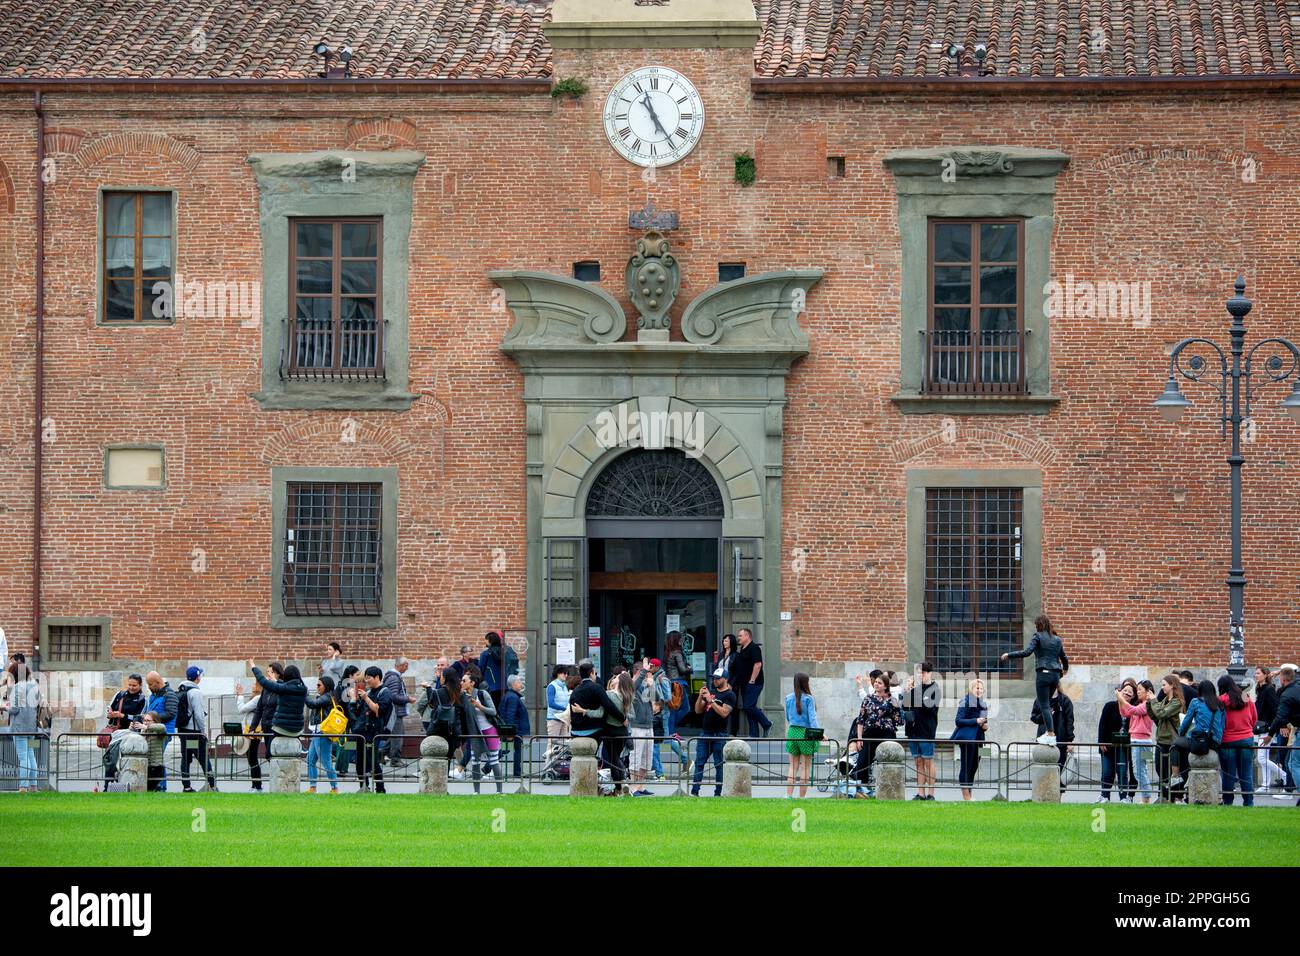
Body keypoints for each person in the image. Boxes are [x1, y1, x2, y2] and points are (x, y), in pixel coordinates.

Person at [1001, 613, 1069, 745]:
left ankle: (1050, 734)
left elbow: (1027, 652)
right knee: (1047, 704)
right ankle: (1049, 732)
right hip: (1055, 674)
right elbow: (1064, 657)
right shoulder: (1057, 639)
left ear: (1039, 625)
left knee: (1044, 705)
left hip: (1043, 674)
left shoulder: (1038, 636)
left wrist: (1009, 655)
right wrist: (1065, 668)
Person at [1171, 679, 1227, 799]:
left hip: (1200, 741)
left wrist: (1181, 733)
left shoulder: (1196, 702)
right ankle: (1219, 797)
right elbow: (1222, 725)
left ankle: (1175, 777)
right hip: (1215, 742)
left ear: (1199, 691)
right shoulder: (1220, 704)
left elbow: (1186, 722)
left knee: (1175, 745)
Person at [852, 672, 902, 795]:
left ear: (885, 686)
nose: (876, 684)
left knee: (887, 760)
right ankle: (862, 789)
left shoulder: (892, 700)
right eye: (876, 682)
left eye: (880, 683)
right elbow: (861, 719)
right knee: (863, 761)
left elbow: (899, 720)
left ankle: (888, 789)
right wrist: (859, 738)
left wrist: (896, 709)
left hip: (886, 733)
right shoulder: (868, 699)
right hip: (870, 732)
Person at [1258, 663, 1299, 806]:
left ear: (1283, 679)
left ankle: (1290, 790)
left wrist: (1270, 734)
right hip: (1294, 729)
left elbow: (1279, 715)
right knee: (1289, 760)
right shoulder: (1295, 687)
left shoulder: (1285, 694)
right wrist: (1279, 672)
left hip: (1292, 729)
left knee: (1292, 762)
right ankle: (1286, 788)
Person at [690, 670, 736, 797]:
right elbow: (698, 710)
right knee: (699, 763)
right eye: (714, 678)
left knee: (719, 765)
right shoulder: (712, 692)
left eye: (718, 678)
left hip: (719, 734)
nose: (715, 680)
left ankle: (718, 793)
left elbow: (724, 713)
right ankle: (694, 791)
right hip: (705, 733)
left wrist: (711, 701)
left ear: (725, 679)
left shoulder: (730, 695)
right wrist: (701, 696)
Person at [1216, 674, 1257, 807]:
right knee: (1246, 773)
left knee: (1228, 774)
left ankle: (1228, 802)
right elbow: (1254, 718)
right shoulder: (1246, 697)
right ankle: (1249, 802)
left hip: (1228, 740)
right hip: (1246, 738)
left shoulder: (1221, 700)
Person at [176, 666, 217, 793]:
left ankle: (186, 786)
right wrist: (203, 731)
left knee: (186, 758)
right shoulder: (196, 692)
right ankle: (212, 785)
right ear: (197, 678)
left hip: (182, 730)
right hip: (194, 732)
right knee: (203, 758)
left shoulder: (181, 690)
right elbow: (199, 715)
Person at [902, 663, 940, 800]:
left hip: (926, 730)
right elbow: (905, 707)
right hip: (913, 730)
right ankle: (920, 793)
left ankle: (931, 793)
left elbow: (930, 709)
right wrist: (907, 691)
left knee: (928, 762)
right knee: (918, 761)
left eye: (923, 672)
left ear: (930, 673)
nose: (920, 675)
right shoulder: (915, 689)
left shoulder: (934, 689)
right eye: (918, 673)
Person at [2, 662, 42, 792]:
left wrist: (3, 707)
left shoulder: (17, 687)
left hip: (19, 728)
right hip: (32, 728)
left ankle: (23, 787)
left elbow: (14, 709)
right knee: (31, 756)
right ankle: (33, 786)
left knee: (23, 758)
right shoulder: (35, 686)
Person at [463, 669, 505, 794]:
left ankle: (499, 791)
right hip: (475, 732)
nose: (461, 683)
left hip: (489, 730)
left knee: (493, 760)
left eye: (464, 681)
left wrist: (479, 706)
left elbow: (493, 711)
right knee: (475, 760)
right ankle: (476, 792)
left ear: (472, 683)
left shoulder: (482, 694)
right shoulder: (463, 697)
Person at [1030, 680, 1075, 791]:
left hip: (1060, 739)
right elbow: (1034, 717)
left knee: (1059, 769)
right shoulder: (1040, 700)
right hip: (1043, 739)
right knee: (1043, 769)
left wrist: (1070, 741)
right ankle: (1042, 794)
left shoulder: (1065, 701)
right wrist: (1045, 715)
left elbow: (1070, 722)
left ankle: (1058, 794)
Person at [355, 666, 393, 793]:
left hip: (374, 732)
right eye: (365, 679)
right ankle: (363, 787)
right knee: (360, 761)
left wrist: (366, 698)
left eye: (369, 678)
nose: (367, 681)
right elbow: (359, 712)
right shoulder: (369, 692)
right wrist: (355, 699)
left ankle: (380, 788)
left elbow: (379, 710)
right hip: (362, 731)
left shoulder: (385, 692)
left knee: (372, 761)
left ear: (377, 677)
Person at [1097, 680, 1136, 803]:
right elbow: (1102, 724)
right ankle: (1104, 796)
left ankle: (1123, 797)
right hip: (1109, 745)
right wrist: (1101, 741)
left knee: (1122, 772)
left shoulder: (1133, 710)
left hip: (1124, 747)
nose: (1127, 693)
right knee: (1107, 771)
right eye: (1125, 690)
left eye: (1130, 692)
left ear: (1133, 696)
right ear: (1119, 692)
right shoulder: (1109, 706)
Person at [1146, 675, 1184, 802]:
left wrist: (1153, 701)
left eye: (1164, 685)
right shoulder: (1164, 701)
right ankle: (1164, 795)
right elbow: (1156, 717)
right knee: (1159, 768)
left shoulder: (1177, 702)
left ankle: (1173, 796)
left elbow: (1162, 713)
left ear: (1172, 685)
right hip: (1161, 740)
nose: (1162, 688)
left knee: (1171, 771)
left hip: (1172, 741)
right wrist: (1148, 703)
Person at [1119, 680, 1156, 804]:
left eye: (1140, 689)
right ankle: (1146, 797)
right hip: (1139, 741)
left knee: (1139, 771)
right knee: (1142, 769)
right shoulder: (1141, 704)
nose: (1138, 692)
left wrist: (1121, 698)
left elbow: (1134, 711)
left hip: (1142, 742)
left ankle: (1146, 798)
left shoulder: (1147, 704)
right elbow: (1125, 712)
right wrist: (1121, 700)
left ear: (1148, 691)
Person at [951, 678, 988, 801]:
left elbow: (983, 722)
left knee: (974, 767)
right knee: (966, 766)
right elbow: (958, 720)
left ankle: (970, 794)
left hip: (979, 739)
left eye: (981, 688)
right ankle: (966, 796)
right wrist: (975, 721)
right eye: (977, 688)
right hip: (967, 739)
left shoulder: (982, 703)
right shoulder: (965, 701)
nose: (979, 690)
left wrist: (984, 726)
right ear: (971, 689)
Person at [784, 672, 819, 799]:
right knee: (805, 768)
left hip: (792, 732)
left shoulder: (788, 698)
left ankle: (789, 795)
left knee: (792, 766)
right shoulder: (809, 698)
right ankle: (802, 797)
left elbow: (788, 717)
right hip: (806, 733)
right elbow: (813, 719)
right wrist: (819, 734)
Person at [733, 627, 772, 738]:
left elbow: (758, 664)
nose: (738, 638)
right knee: (749, 707)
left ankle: (767, 724)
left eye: (740, 635)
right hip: (744, 684)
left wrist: (752, 680)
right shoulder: (742, 649)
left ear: (747, 636)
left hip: (754, 683)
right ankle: (754, 734)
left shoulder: (754, 648)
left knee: (748, 706)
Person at [305, 675, 342, 794]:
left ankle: (335, 788)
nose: (317, 687)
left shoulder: (326, 697)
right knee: (310, 759)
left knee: (326, 762)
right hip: (317, 732)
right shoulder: (324, 697)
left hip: (322, 733)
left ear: (326, 686)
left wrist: (304, 694)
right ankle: (312, 787)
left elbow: (312, 704)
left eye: (319, 685)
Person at [143, 671, 179, 791]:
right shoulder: (154, 695)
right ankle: (155, 785)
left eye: (150, 684)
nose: (148, 687)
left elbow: (171, 714)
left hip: (162, 733)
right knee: (153, 759)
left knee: (157, 760)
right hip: (151, 731)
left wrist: (152, 717)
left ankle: (161, 786)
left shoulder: (170, 695)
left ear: (158, 682)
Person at [629, 662, 657, 795]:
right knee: (636, 757)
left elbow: (653, 699)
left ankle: (641, 786)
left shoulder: (645, 685)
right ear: (637, 672)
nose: (647, 675)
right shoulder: (631, 684)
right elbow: (634, 686)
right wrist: (644, 672)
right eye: (645, 672)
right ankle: (633, 787)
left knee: (647, 758)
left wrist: (652, 686)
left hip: (648, 725)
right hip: (637, 726)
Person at [380, 657, 413, 766]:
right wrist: (408, 699)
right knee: (397, 736)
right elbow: (393, 696)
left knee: (396, 735)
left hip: (395, 712)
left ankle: (381, 753)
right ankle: (395, 760)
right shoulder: (394, 678)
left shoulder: (393, 677)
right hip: (395, 712)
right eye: (405, 665)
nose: (407, 668)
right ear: (399, 665)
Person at [499, 673, 531, 780]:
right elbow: (510, 715)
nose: (521, 683)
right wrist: (510, 732)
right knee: (515, 750)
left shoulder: (511, 696)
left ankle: (488, 767)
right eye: (519, 682)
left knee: (507, 749)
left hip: (514, 730)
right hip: (515, 730)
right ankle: (517, 772)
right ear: (513, 684)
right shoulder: (513, 697)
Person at [477, 631, 520, 708]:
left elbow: (480, 669)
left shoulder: (486, 654)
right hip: (506, 686)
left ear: (490, 641)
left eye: (486, 639)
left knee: (492, 710)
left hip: (491, 687)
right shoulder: (506, 652)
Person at [334, 664, 361, 778]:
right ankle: (342, 768)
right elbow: (350, 704)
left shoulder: (341, 684)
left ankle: (341, 766)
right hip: (347, 719)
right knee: (345, 743)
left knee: (344, 742)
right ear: (350, 675)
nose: (358, 677)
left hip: (341, 718)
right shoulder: (348, 685)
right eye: (357, 675)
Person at [663, 630, 692, 736]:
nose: (681, 641)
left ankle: (670, 731)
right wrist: (690, 668)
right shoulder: (677, 653)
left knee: (673, 709)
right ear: (676, 640)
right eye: (680, 638)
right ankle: (671, 731)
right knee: (685, 708)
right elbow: (683, 670)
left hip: (671, 682)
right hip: (678, 683)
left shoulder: (668, 652)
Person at [716, 633, 741, 735]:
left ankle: (733, 731)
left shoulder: (736, 655)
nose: (724, 642)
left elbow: (738, 672)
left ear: (731, 642)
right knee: (719, 705)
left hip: (731, 685)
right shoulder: (721, 655)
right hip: (720, 684)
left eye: (726, 640)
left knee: (732, 708)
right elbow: (717, 668)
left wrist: (731, 684)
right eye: (723, 641)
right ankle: (720, 730)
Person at [544, 664, 571, 750]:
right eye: (564, 673)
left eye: (567, 673)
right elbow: (551, 703)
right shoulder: (552, 686)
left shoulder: (564, 686)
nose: (566, 675)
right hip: (554, 719)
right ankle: (548, 763)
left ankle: (561, 763)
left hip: (564, 718)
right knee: (552, 744)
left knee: (564, 744)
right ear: (558, 673)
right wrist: (565, 709)